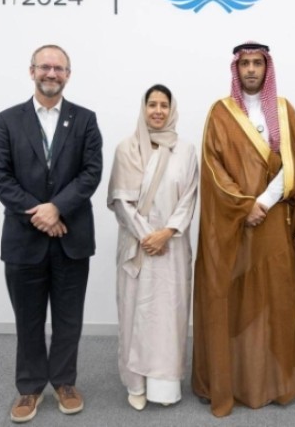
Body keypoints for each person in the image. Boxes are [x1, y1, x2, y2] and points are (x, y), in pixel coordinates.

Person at [191, 41, 295, 417]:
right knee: (236, 301)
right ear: (236, 68)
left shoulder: (285, 110)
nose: (251, 70)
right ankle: (234, 381)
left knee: (275, 299)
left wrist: (264, 201)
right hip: (234, 224)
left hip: (273, 221)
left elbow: (294, 163)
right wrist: (245, 206)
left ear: (267, 68)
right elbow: (212, 166)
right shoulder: (220, 112)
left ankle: (272, 382)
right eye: (245, 63)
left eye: (258, 63)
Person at [0, 44, 103, 423]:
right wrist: (40, 213)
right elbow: (0, 175)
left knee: (69, 318)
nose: (51, 73)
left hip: (72, 238)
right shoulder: (7, 120)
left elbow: (91, 172)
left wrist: (57, 208)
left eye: (59, 68)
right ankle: (30, 387)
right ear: (32, 71)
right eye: (45, 67)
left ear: (68, 74)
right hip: (24, 239)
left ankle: (65, 382)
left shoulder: (85, 120)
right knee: (29, 319)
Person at [107, 84, 198, 410]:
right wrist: (149, 236)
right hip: (138, 246)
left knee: (168, 316)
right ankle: (135, 383)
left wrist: (167, 233)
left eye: (164, 105)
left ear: (172, 110)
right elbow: (121, 200)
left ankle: (164, 386)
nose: (158, 111)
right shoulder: (127, 148)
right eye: (152, 105)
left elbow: (189, 197)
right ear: (143, 108)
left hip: (172, 247)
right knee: (135, 312)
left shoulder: (186, 150)